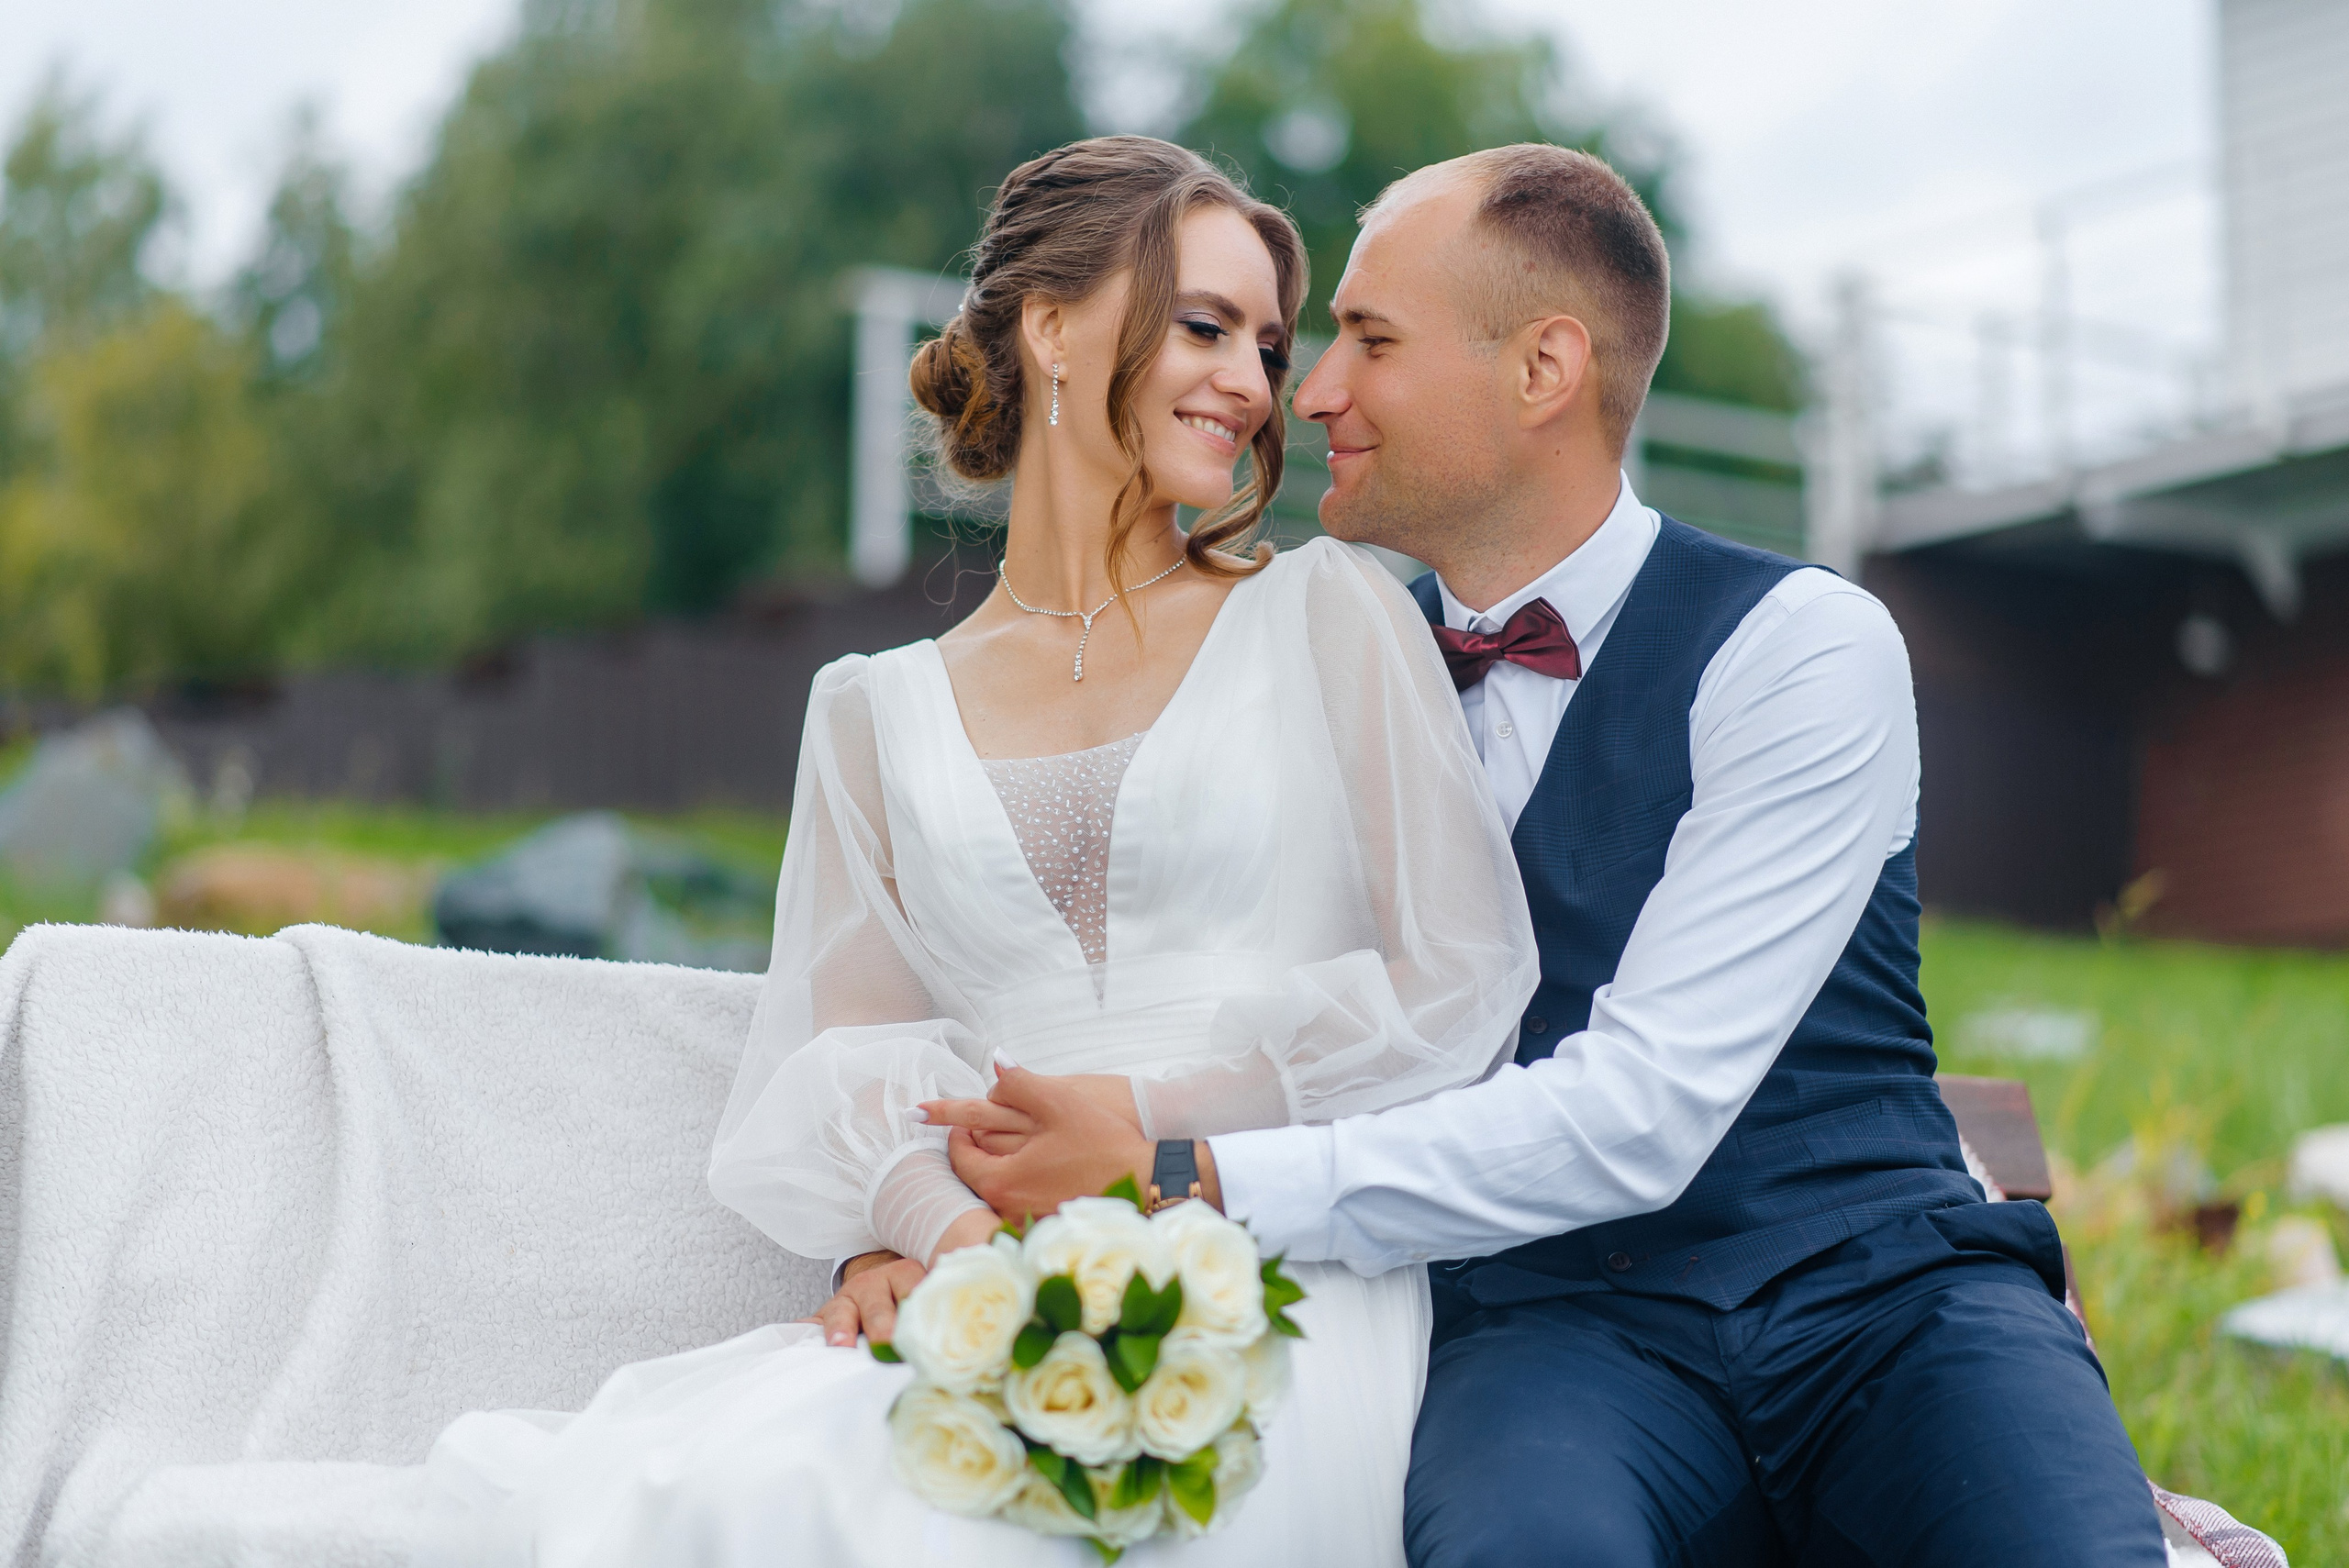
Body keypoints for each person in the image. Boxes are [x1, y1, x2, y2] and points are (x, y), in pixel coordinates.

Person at [918, 145, 2172, 1567]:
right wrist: (926, 1213)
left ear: (1543, 369)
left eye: (1371, 340)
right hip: (1555, 1336)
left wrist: (1190, 1174)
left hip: (1885, 1302)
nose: (1311, 393)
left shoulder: (1804, 647)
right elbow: (1161, 985)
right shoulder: (1319, 673)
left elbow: (1646, 1107)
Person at [379, 135, 1539, 1566]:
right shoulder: (872, 712)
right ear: (1050, 328)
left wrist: (1146, 1130)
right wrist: (938, 1235)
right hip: (1001, 1264)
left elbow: (1460, 987)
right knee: (745, 1500)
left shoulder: (1330, 613)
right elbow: (848, 1063)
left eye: (1267, 342)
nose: (1254, 383)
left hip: (1280, 1257)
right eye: (1205, 325)